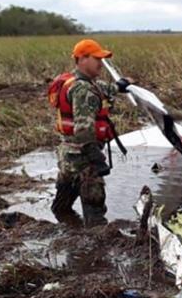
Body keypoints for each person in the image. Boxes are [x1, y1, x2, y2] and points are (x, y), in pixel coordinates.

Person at [47, 39, 131, 226]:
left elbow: (106, 89)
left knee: (61, 208)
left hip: (67, 156)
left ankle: (66, 231)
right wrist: (96, 158)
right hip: (84, 160)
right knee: (96, 219)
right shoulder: (83, 90)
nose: (101, 63)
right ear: (82, 59)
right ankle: (92, 251)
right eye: (97, 59)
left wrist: (121, 85)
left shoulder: (77, 82)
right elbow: (84, 130)